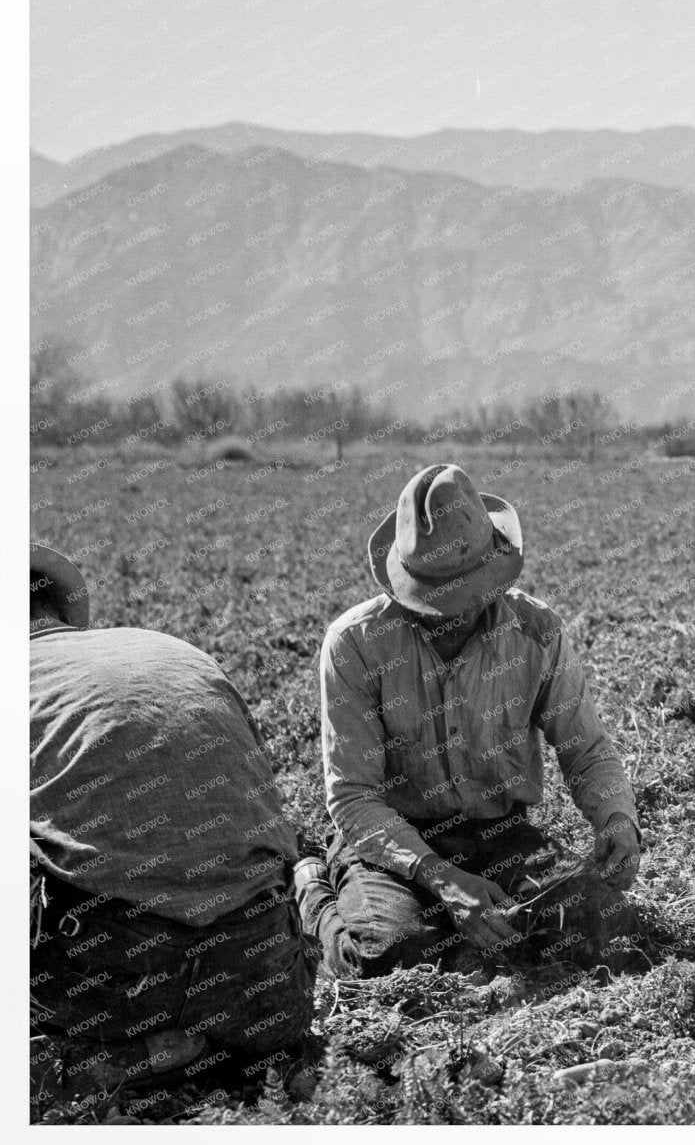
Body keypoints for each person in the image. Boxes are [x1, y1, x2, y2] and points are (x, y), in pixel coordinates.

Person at [296, 464, 643, 979]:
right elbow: (354, 796)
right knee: (389, 958)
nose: (455, 613)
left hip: (497, 833)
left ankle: (464, 934)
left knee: (607, 925)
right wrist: (443, 880)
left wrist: (616, 817)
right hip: (394, 843)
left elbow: (585, 747)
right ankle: (310, 887)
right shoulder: (357, 644)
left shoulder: (536, 633)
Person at [30, 543, 312, 1112]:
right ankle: (219, 1045)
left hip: (116, 980)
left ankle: (123, 1057)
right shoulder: (173, 652)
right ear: (57, 607)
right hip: (265, 981)